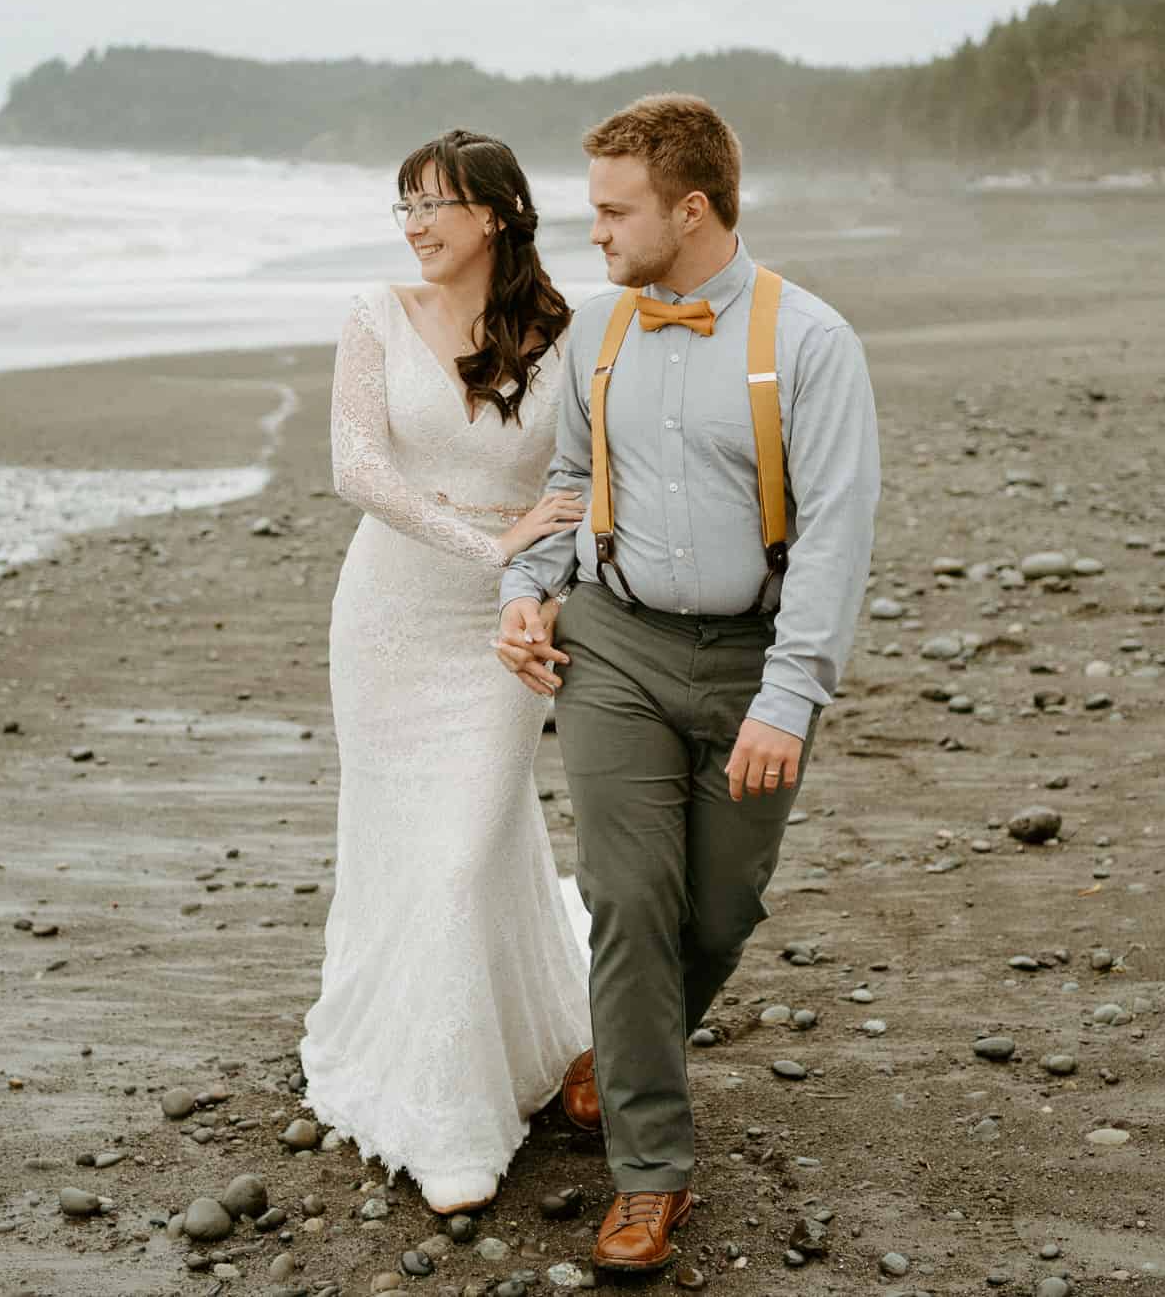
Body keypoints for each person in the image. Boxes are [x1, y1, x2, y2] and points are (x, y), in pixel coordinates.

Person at [494, 95, 880, 1271]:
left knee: (719, 911)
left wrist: (789, 697)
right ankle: (650, 1176)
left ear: (691, 208)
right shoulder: (597, 332)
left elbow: (833, 536)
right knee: (626, 900)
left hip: (755, 662)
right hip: (611, 646)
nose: (593, 232)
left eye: (614, 211)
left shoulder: (810, 342)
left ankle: (616, 1059)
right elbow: (569, 475)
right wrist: (525, 584)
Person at [300, 129, 592, 1215]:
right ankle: (426, 1090)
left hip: (504, 627)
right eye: (403, 206)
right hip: (390, 613)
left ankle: (465, 1095)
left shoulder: (566, 333)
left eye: (436, 204)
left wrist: (536, 573)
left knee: (470, 845)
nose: (416, 225)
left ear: (499, 213)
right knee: (401, 839)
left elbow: (584, 474)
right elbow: (357, 469)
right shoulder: (375, 316)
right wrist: (492, 547)